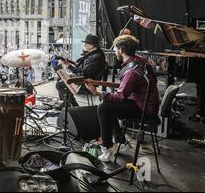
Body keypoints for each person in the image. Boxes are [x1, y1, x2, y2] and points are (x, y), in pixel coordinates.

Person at [85, 35, 159, 163]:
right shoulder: (139, 60)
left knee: (103, 107)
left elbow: (120, 96)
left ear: (120, 50)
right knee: (109, 106)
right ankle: (121, 142)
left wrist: (97, 92)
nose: (114, 51)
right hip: (147, 103)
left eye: (115, 49)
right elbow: (126, 89)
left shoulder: (132, 71)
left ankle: (107, 147)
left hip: (144, 108)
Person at [55, 34, 107, 107]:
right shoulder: (96, 54)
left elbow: (82, 73)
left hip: (87, 83)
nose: (84, 45)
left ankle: (69, 105)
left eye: (86, 43)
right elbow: (84, 68)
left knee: (59, 85)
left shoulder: (95, 57)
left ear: (92, 45)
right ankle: (70, 104)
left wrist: (68, 65)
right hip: (85, 79)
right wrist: (70, 63)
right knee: (60, 79)